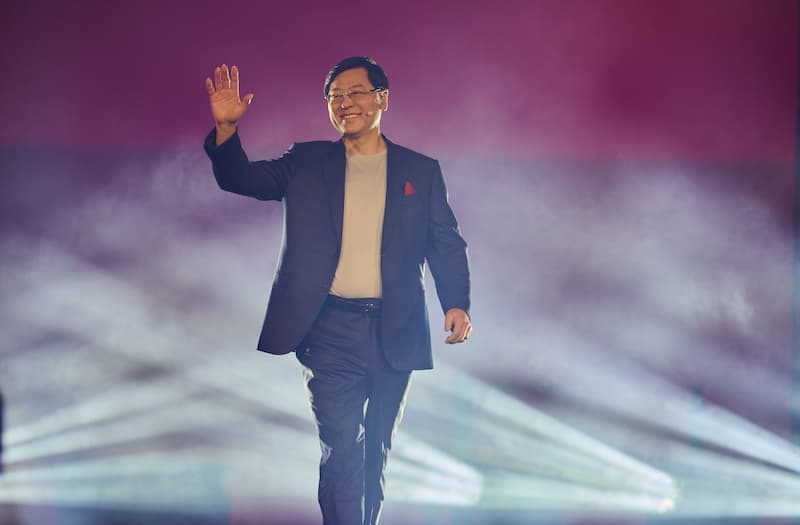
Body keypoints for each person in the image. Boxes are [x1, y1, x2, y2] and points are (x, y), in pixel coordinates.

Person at [203, 56, 472, 525]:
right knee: (343, 445)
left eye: (355, 93)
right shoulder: (306, 162)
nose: (345, 103)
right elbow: (240, 178)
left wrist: (456, 303)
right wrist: (227, 130)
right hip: (329, 329)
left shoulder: (421, 170)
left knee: (376, 450)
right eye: (335, 97)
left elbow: (445, 241)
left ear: (382, 99)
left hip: (395, 329)